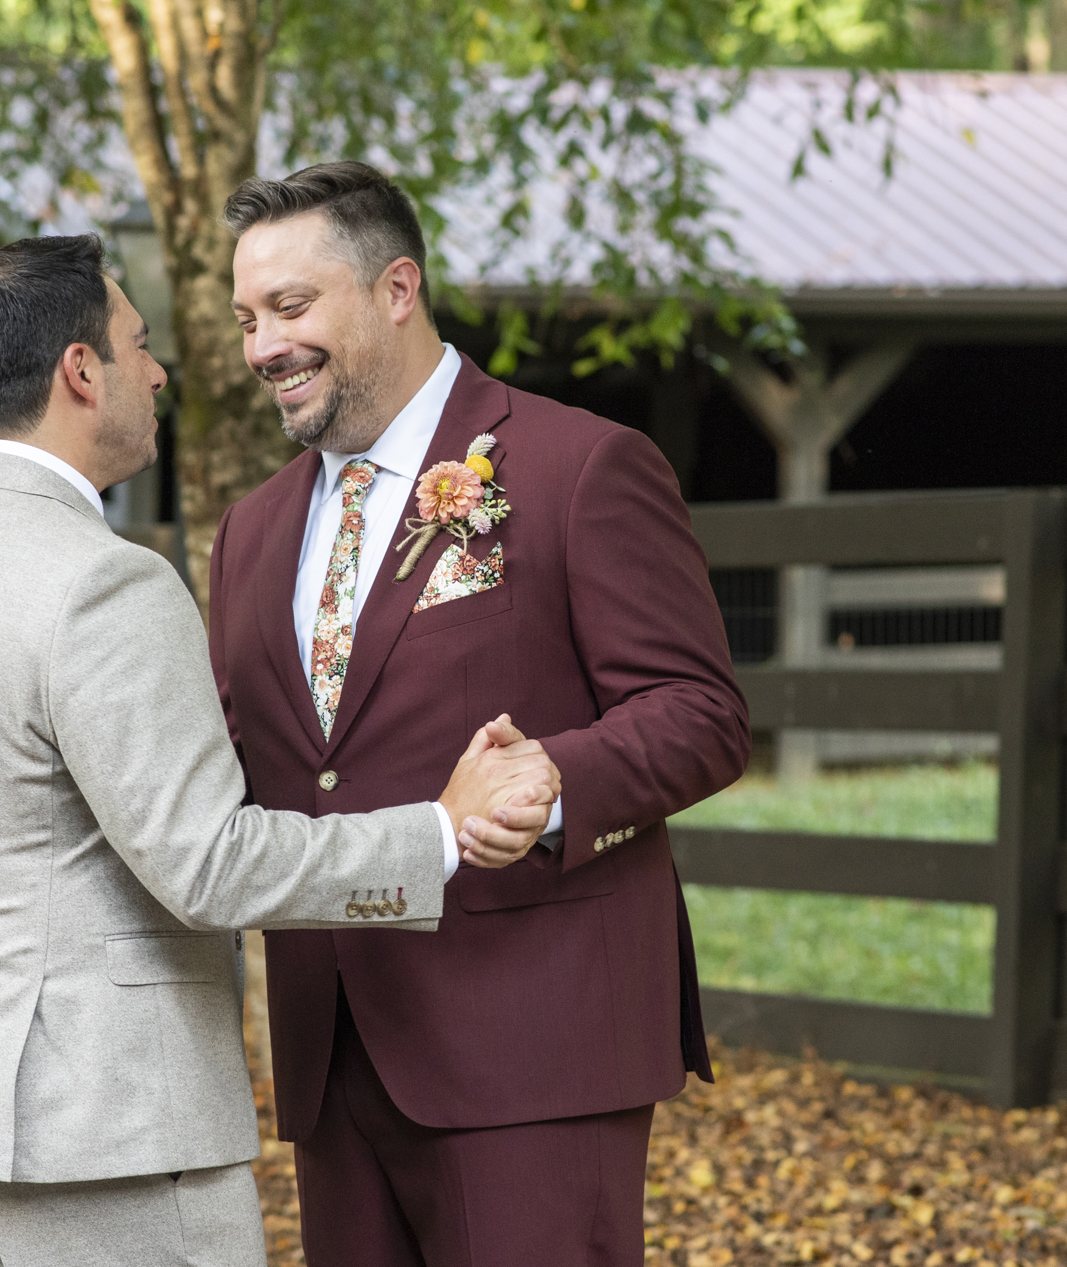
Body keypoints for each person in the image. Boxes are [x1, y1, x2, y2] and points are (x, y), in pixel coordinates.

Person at [0, 233, 557, 1267]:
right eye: (137, 343)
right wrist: (438, 834)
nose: (157, 370)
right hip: (101, 1121)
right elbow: (206, 864)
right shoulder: (103, 582)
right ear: (79, 372)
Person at [209, 162, 751, 1266]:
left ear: (397, 288)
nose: (263, 347)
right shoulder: (251, 531)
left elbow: (699, 711)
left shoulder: (576, 465)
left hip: (533, 1044)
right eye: (246, 319)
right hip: (332, 1052)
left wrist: (549, 781)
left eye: (292, 307)